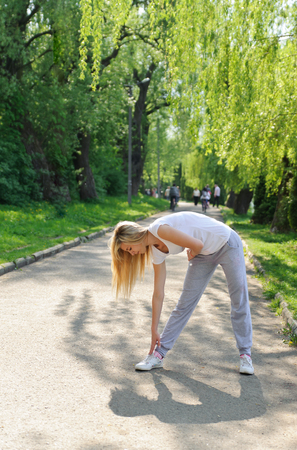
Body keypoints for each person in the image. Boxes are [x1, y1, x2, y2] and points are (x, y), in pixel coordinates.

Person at [109, 211, 254, 375]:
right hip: (203, 253)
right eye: (128, 252)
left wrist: (192, 252)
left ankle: (245, 354)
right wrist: (154, 328)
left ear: (134, 237)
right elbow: (158, 293)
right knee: (184, 304)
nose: (131, 253)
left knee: (238, 298)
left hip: (226, 243)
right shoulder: (156, 252)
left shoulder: (159, 229)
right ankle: (158, 355)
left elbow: (197, 245)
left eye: (129, 248)